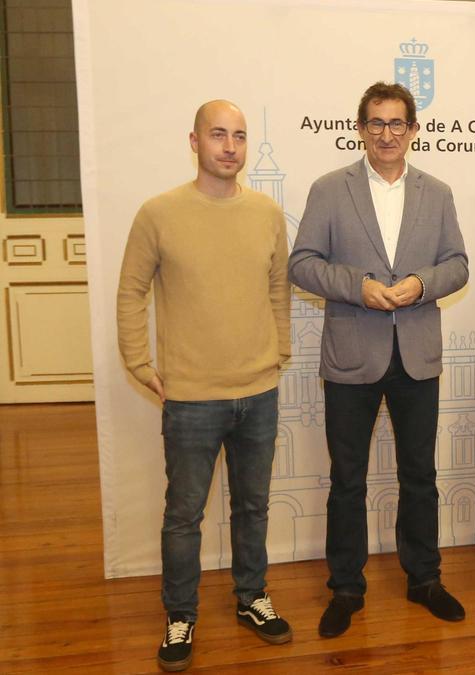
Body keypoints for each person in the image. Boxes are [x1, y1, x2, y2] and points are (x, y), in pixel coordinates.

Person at [116, 100, 292, 672]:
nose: (230, 147)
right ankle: (180, 613)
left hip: (258, 392)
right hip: (190, 398)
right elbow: (130, 293)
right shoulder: (158, 213)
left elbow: (278, 291)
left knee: (254, 507)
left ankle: (251, 598)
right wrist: (141, 364)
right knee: (183, 515)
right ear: (194, 141)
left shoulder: (267, 212)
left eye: (239, 136)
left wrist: (280, 352)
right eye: (218, 135)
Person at [289, 82, 469, 636]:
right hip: (351, 355)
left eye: (397, 124)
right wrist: (357, 286)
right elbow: (302, 263)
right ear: (361, 129)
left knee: (421, 476)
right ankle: (346, 587)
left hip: (416, 354)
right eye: (376, 123)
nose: (387, 134)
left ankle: (425, 579)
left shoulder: (437, 192)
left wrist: (421, 283)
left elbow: (458, 264)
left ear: (414, 130)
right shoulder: (328, 189)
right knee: (348, 480)